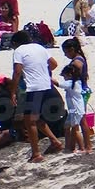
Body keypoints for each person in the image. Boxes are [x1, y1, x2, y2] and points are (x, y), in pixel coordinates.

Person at [9, 30, 64, 163]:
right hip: (48, 87)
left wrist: (12, 92)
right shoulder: (39, 47)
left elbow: (17, 72)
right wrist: (43, 72)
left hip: (34, 89)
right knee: (36, 118)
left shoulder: (19, 51)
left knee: (29, 121)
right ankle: (55, 141)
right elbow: (54, 64)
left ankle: (36, 154)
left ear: (16, 43)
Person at [60, 38, 91, 153]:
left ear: (72, 49)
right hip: (83, 90)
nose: (65, 55)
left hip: (80, 92)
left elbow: (76, 72)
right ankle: (74, 146)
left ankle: (86, 147)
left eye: (66, 52)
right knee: (80, 120)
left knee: (81, 120)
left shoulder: (76, 62)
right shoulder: (80, 58)